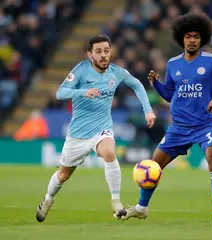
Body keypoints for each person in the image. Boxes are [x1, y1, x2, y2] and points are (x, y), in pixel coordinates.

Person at [121, 13, 212, 228]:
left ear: (202, 39)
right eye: (188, 36)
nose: (192, 40)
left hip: (205, 124)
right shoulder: (173, 64)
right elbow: (170, 95)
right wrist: (157, 84)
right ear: (181, 39)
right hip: (179, 127)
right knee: (154, 164)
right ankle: (141, 208)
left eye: (196, 36)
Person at [35, 35, 156, 222]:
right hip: (78, 134)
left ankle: (116, 201)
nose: (103, 55)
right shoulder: (81, 70)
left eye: (106, 51)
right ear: (90, 55)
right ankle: (48, 198)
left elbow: (138, 85)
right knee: (63, 175)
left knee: (109, 152)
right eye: (98, 51)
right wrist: (83, 92)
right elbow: (60, 93)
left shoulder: (116, 72)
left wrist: (148, 111)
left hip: (102, 128)